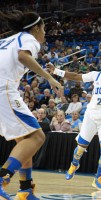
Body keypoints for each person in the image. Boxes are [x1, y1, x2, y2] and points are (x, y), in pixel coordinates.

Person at [0, 11, 62, 200]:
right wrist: (51, 78)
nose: (45, 33)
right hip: (3, 87)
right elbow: (23, 57)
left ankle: (25, 189)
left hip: (4, 87)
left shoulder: (9, 39)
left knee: (24, 139)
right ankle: (2, 178)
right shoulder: (29, 39)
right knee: (37, 136)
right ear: (36, 28)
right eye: (44, 28)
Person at [48, 53, 101, 190]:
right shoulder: (96, 75)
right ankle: (74, 164)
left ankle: (98, 177)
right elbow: (76, 76)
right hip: (91, 116)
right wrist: (56, 71)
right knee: (80, 149)